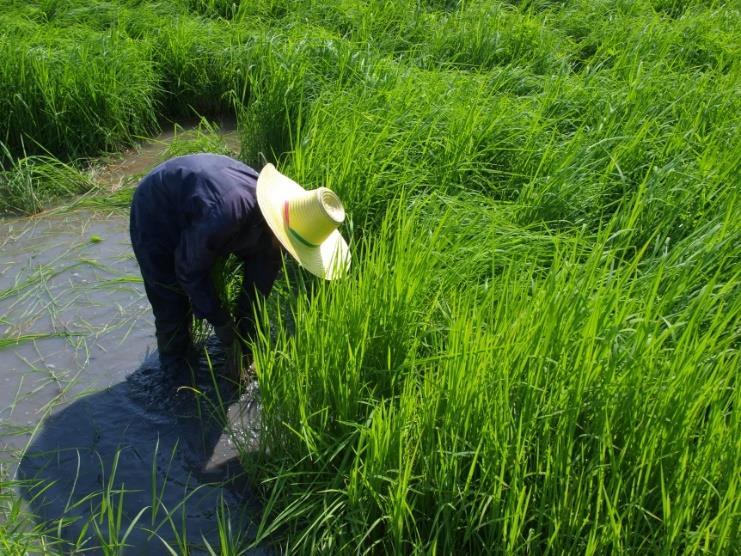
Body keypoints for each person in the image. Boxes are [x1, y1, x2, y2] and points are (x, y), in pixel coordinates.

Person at [129, 153, 350, 380]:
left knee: (262, 261)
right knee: (171, 307)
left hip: (206, 211)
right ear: (279, 230)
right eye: (290, 247)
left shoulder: (277, 227)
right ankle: (175, 380)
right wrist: (221, 322)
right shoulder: (226, 214)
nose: (289, 255)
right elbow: (189, 271)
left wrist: (244, 345)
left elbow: (256, 292)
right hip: (156, 212)